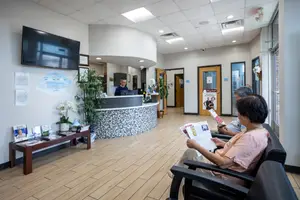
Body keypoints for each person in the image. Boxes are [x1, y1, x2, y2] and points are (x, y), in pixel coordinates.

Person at [170, 95, 269, 185]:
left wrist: (196, 146)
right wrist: (223, 143)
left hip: (222, 176)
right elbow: (240, 151)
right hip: (226, 169)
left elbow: (222, 163)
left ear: (247, 116)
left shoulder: (251, 138)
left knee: (191, 152)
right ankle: (179, 175)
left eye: (239, 113)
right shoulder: (258, 131)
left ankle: (178, 177)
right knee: (191, 153)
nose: (238, 116)